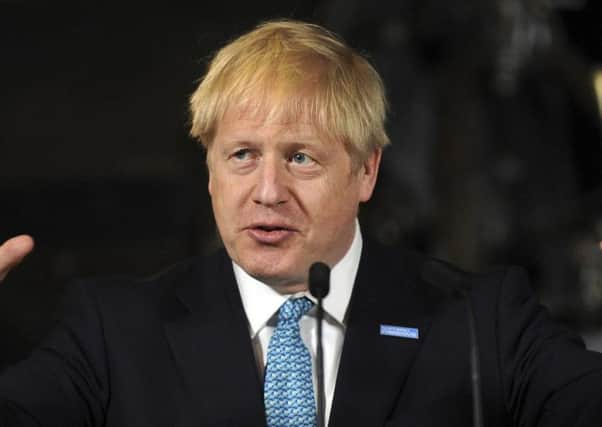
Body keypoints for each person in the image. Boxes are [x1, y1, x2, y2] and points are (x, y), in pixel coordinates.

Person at [1, 19, 602, 427]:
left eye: (300, 158)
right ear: (210, 171)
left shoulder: (481, 324)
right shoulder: (114, 331)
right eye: (241, 156)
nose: (267, 192)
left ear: (366, 172)